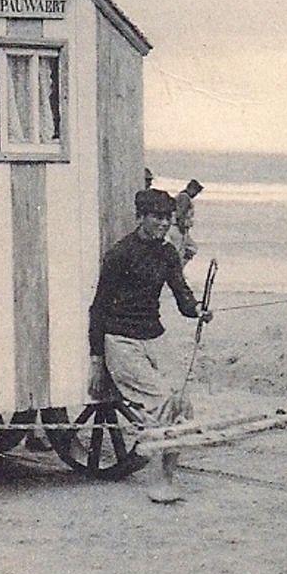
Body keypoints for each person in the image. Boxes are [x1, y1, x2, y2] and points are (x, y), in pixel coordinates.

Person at [88, 188, 212, 503]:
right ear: (141, 217)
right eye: (157, 218)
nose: (163, 225)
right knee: (162, 404)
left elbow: (181, 293)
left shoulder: (169, 253)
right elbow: (98, 308)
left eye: (168, 219)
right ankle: (158, 482)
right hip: (121, 339)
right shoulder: (120, 254)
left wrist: (197, 309)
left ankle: (168, 479)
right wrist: (96, 360)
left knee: (181, 402)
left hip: (154, 335)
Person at [166, 179, 203, 266]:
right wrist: (182, 228)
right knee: (183, 250)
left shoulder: (181, 196)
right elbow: (180, 214)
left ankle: (177, 269)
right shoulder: (184, 197)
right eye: (196, 191)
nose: (196, 195)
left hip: (176, 227)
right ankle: (177, 270)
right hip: (177, 228)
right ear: (191, 189)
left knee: (187, 249)